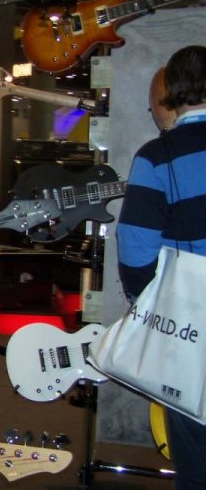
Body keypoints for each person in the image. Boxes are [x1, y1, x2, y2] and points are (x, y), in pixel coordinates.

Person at [117, 44, 206, 490]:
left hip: (189, 326)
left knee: (195, 451)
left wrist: (145, 306)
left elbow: (135, 249)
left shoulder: (156, 157)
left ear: (171, 94)